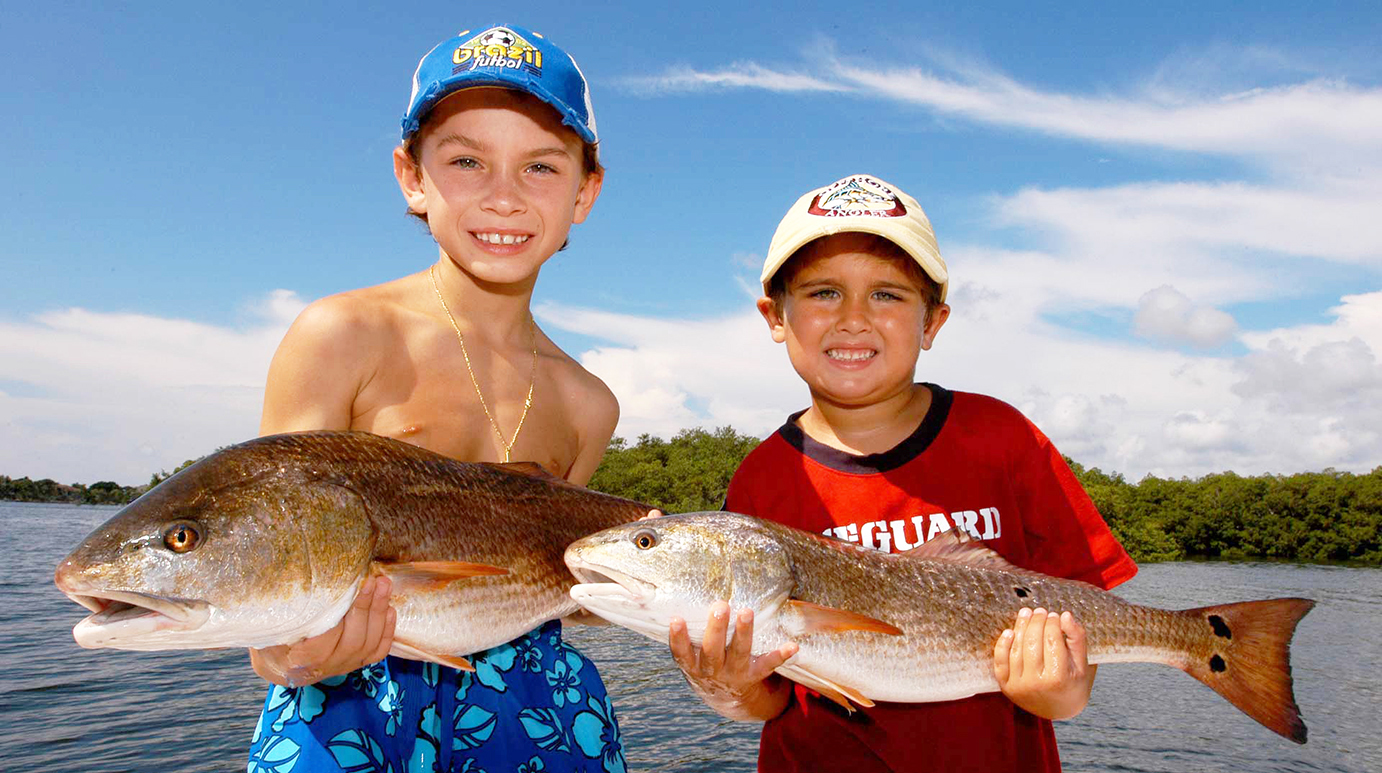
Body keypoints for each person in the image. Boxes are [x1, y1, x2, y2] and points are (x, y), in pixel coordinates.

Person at [244, 24, 628, 773]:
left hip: (541, 710)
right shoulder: (341, 335)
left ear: (586, 191)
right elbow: (265, 587)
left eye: (541, 166)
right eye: (466, 160)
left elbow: (558, 591)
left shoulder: (590, 403)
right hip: (345, 708)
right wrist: (291, 654)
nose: (503, 196)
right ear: (411, 176)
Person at [665, 173, 1138, 772]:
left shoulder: (1002, 437)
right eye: (823, 292)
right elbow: (769, 699)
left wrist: (1059, 691)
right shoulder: (762, 478)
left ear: (933, 321)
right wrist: (727, 685)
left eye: (887, 294)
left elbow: (1079, 637)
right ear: (774, 316)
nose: (854, 318)